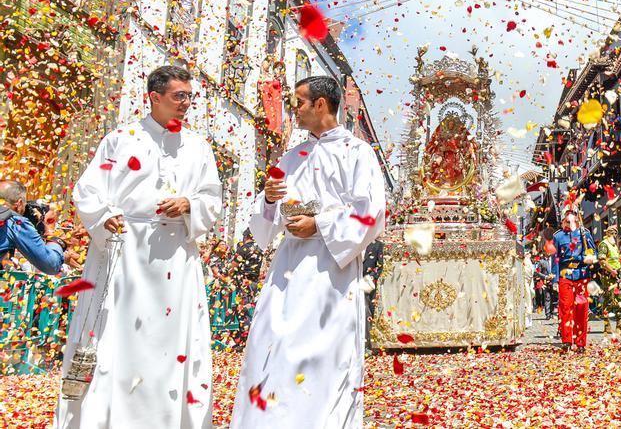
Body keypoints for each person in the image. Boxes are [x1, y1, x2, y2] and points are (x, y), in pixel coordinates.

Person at [55, 65, 222, 429]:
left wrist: (190, 204)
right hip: (124, 252)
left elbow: (213, 198)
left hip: (175, 258)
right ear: (155, 97)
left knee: (170, 345)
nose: (186, 104)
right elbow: (88, 189)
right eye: (180, 96)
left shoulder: (198, 146)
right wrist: (103, 217)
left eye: (190, 96)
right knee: (118, 336)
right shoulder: (121, 138)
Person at [232, 76, 386, 428]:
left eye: (299, 102)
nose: (293, 110)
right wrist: (270, 198)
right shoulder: (292, 155)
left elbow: (372, 212)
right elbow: (264, 224)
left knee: (323, 356)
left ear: (321, 105)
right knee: (273, 348)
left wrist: (319, 225)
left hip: (330, 271)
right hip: (287, 269)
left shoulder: (358, 153)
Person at [552, 209, 596, 351]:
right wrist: (555, 279)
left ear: (577, 219)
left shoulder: (585, 233)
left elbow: (593, 251)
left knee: (582, 308)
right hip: (565, 275)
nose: (569, 221)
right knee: (566, 308)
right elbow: (556, 259)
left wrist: (590, 256)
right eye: (567, 219)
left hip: (581, 274)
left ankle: (581, 342)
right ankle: (567, 340)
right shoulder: (558, 237)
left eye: (572, 218)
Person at [0, 180, 65, 274]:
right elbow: (50, 265)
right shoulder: (15, 222)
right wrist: (51, 233)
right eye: (25, 206)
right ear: (19, 203)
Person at [597, 226, 621, 333]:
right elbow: (602, 260)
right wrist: (611, 270)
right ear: (607, 233)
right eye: (612, 233)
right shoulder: (604, 244)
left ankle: (620, 323)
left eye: (615, 233)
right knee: (608, 299)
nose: (614, 235)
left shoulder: (614, 245)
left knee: (619, 298)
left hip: (616, 274)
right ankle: (607, 325)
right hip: (608, 275)